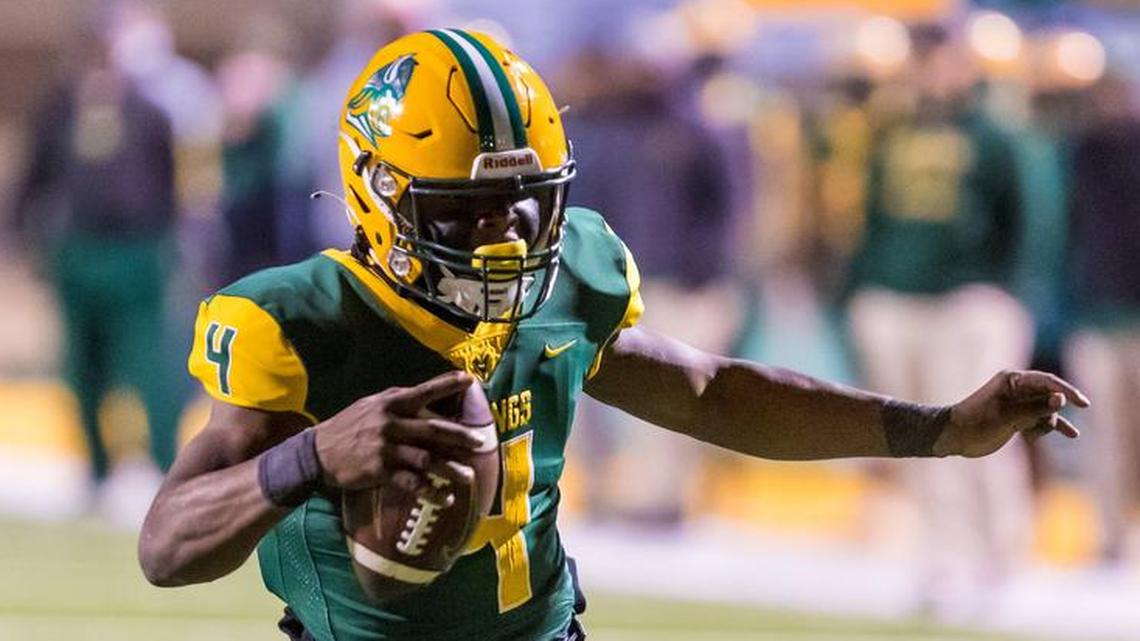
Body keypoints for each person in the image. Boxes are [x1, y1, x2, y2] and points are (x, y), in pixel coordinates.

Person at [138, 30, 1088, 641]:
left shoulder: (574, 271)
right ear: (382, 196)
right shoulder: (300, 321)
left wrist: (940, 429)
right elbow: (166, 547)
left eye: (527, 200)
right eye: (473, 208)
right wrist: (312, 453)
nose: (509, 232)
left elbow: (711, 391)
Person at [844, 30, 1038, 618]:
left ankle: (1002, 557)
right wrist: (862, 286)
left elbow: (1029, 220)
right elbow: (873, 214)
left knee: (983, 431)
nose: (931, 72)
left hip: (968, 298)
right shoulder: (894, 130)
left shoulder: (998, 136)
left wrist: (1003, 290)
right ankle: (944, 557)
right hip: (900, 295)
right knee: (923, 437)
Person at [15, 25, 182, 513]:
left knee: (150, 366)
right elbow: (33, 180)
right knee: (82, 370)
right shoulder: (58, 114)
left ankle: (165, 467)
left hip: (136, 255)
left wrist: (163, 245)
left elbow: (167, 186)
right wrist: (25, 241)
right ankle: (95, 470)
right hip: (78, 253)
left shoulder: (149, 116)